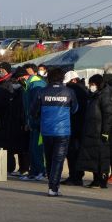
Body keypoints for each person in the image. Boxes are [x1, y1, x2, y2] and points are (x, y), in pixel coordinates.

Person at [31, 67, 78, 196]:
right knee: (58, 160)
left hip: (46, 130)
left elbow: (33, 110)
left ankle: (52, 184)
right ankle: (53, 187)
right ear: (62, 78)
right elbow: (75, 109)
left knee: (50, 158)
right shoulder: (69, 92)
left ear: (49, 77)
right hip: (63, 131)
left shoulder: (42, 91)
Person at [77, 74, 112, 189]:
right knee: (93, 158)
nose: (91, 87)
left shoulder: (105, 96)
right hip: (92, 131)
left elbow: (108, 115)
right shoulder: (95, 95)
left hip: (99, 132)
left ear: (98, 84)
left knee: (100, 157)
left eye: (92, 84)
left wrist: (105, 132)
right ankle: (96, 180)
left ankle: (101, 180)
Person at [18, 64, 47, 181]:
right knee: (32, 148)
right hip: (32, 122)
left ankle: (41, 171)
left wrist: (35, 121)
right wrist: (28, 122)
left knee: (38, 148)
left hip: (39, 123)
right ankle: (34, 171)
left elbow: (37, 106)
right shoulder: (28, 85)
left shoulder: (37, 85)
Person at [61, 70, 88, 186]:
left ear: (74, 80)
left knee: (72, 153)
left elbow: (73, 108)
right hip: (81, 126)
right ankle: (77, 176)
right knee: (76, 152)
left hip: (74, 125)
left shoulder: (74, 91)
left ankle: (75, 176)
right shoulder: (84, 90)